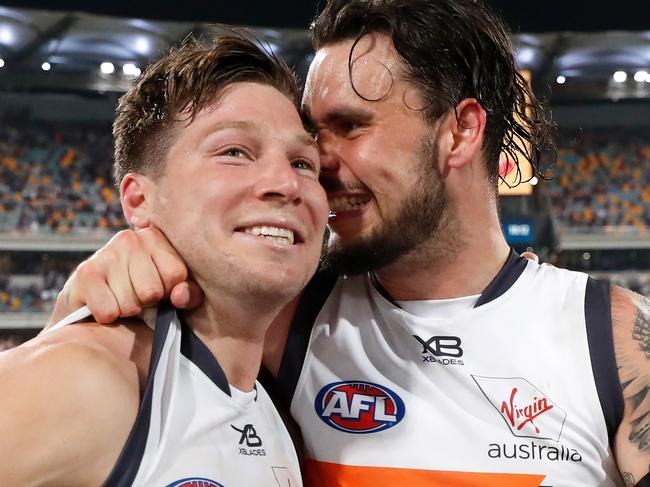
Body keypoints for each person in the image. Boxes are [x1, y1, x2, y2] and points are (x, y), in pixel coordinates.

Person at [49, 0, 650, 485]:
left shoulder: (611, 336)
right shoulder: (279, 314)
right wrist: (94, 284)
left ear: (460, 132)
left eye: (351, 127)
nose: (314, 163)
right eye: (315, 133)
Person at [0, 35, 328, 486]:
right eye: (234, 152)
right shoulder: (85, 382)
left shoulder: (277, 410)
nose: (286, 182)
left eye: (304, 163)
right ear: (139, 199)